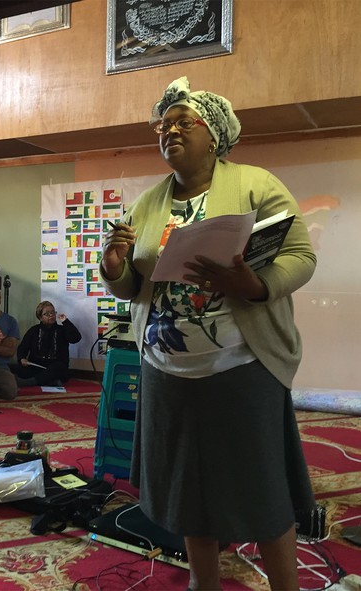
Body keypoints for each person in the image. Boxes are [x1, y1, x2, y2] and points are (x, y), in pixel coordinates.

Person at [100, 77, 316, 591]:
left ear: (214, 135)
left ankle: (285, 584)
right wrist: (114, 267)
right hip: (166, 371)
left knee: (261, 485)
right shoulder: (148, 204)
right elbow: (134, 288)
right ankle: (204, 582)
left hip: (241, 366)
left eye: (183, 122)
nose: (169, 130)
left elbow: (301, 256)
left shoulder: (255, 184)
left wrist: (255, 284)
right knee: (187, 487)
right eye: (164, 124)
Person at [15, 300, 81, 388]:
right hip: (37, 368)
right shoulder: (34, 330)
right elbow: (23, 347)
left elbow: (76, 338)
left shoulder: (61, 330)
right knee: (14, 368)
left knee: (58, 368)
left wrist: (66, 322)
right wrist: (22, 358)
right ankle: (50, 382)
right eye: (47, 313)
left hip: (56, 369)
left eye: (53, 312)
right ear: (40, 317)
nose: (51, 315)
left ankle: (30, 382)